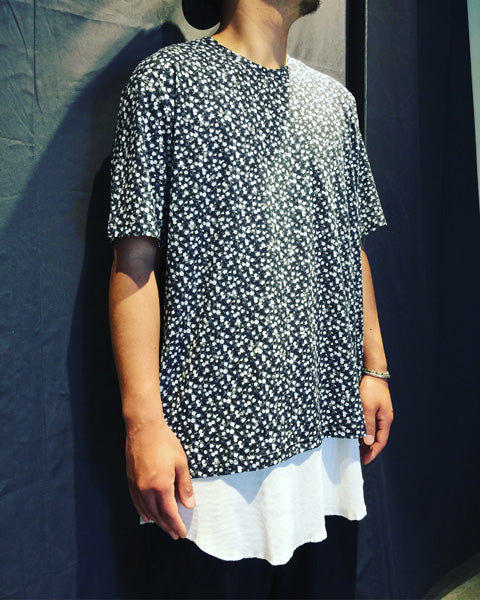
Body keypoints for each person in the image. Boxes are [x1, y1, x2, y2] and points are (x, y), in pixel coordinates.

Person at [107, 0, 394, 595]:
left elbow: (353, 245)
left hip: (326, 441)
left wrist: (375, 368)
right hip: (211, 459)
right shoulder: (167, 82)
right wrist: (143, 423)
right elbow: (134, 262)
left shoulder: (335, 103)